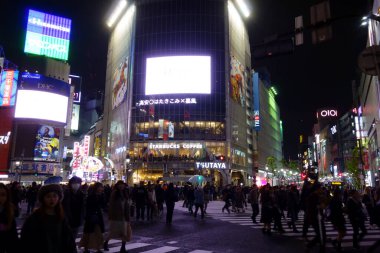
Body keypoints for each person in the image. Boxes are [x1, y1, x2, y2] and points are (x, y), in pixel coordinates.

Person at [20, 184, 77, 253]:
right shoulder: (35, 217)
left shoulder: (61, 216)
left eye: (54, 196)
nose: (52, 199)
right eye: (48, 196)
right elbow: (26, 239)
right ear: (43, 199)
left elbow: (68, 238)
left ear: (59, 198)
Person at [104, 181, 131, 253]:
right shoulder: (114, 193)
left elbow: (126, 204)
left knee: (124, 233)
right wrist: (112, 215)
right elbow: (111, 205)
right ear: (117, 186)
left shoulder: (125, 193)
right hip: (116, 216)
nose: (121, 186)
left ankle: (123, 248)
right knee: (112, 232)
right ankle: (105, 243)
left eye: (122, 185)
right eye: (120, 185)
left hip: (124, 216)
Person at [79, 182, 106, 253]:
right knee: (88, 233)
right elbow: (88, 207)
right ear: (96, 188)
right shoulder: (91, 196)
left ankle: (98, 248)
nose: (101, 188)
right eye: (99, 187)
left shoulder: (101, 196)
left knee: (98, 233)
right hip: (91, 216)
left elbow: (103, 205)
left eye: (101, 187)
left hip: (98, 216)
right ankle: (86, 248)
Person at [0, 183, 19, 253]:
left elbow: (13, 231)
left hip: (8, 240)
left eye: (3, 195)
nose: (0, 198)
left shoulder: (10, 209)